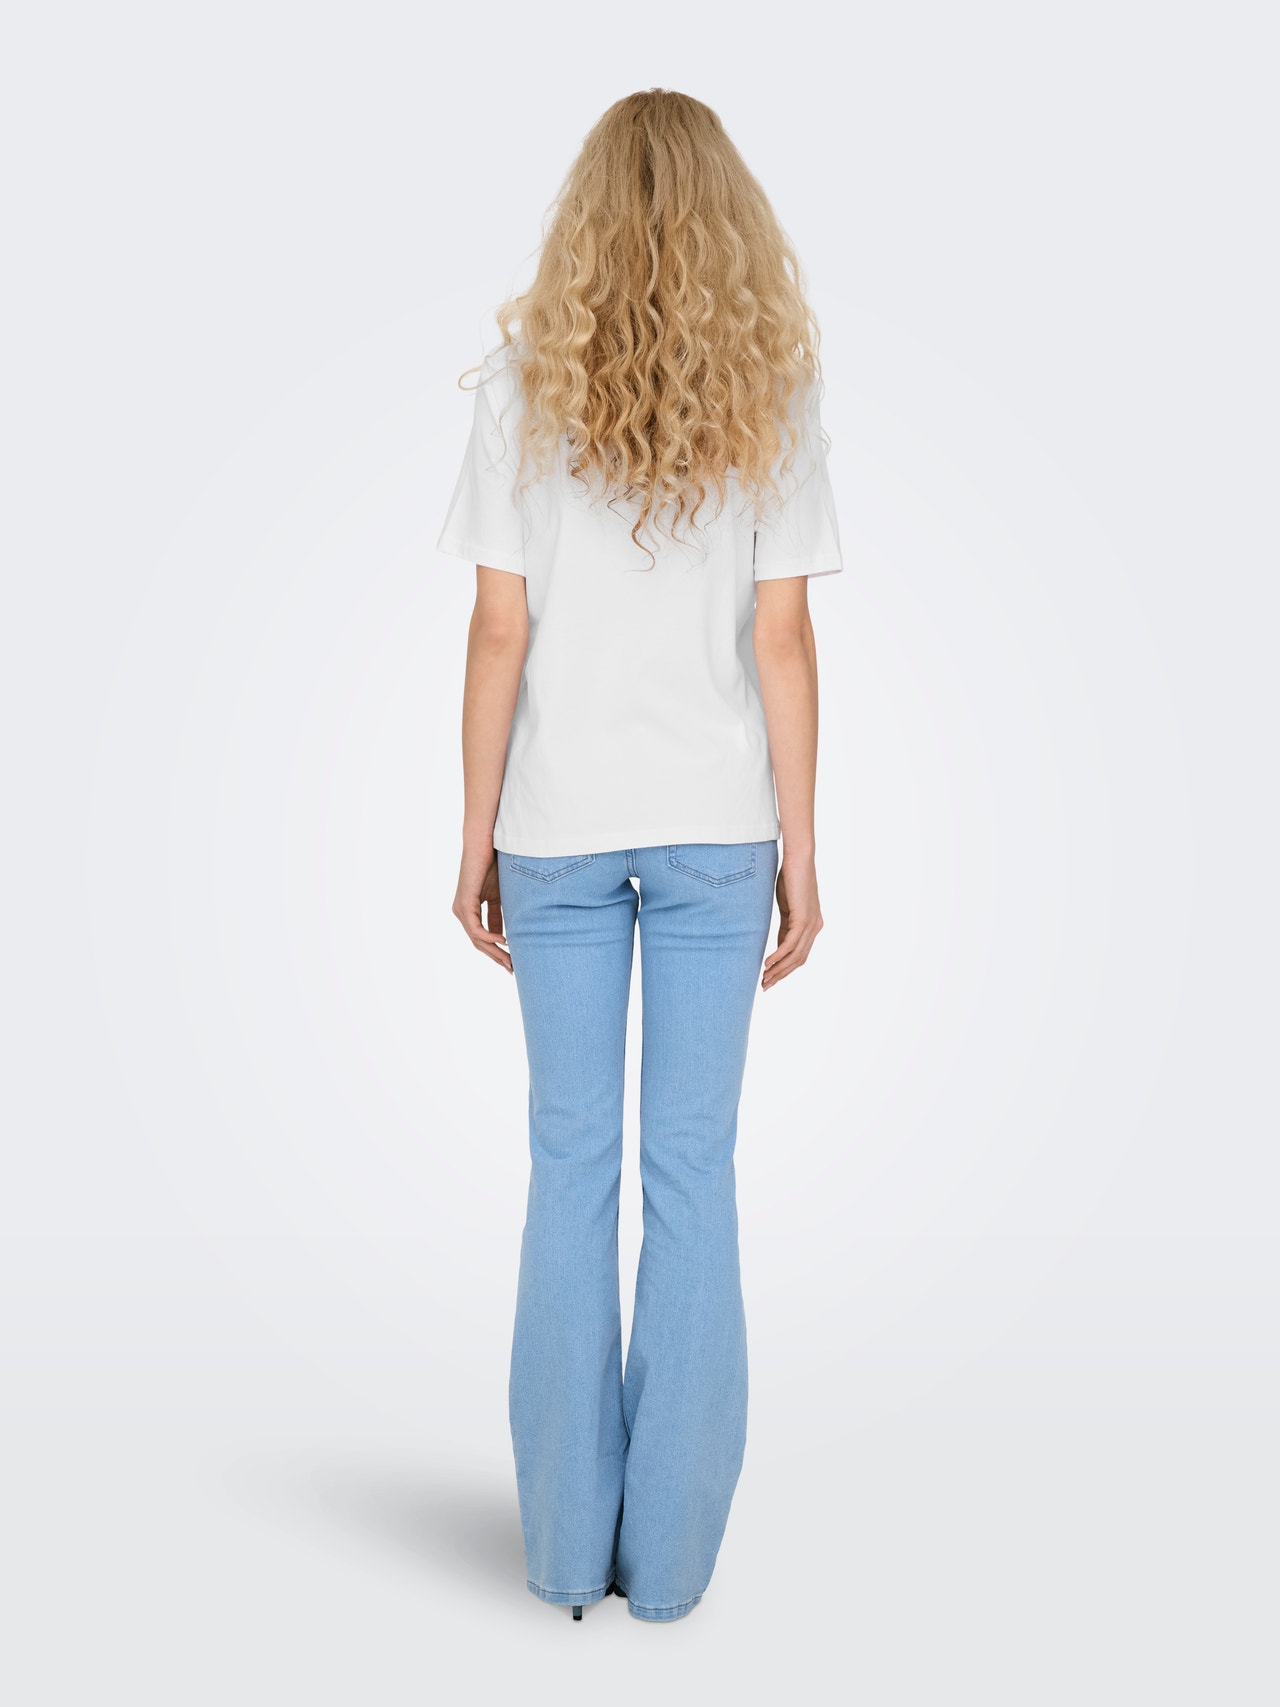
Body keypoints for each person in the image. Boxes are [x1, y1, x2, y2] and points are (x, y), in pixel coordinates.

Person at [435, 88, 843, 1624]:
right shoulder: (772, 384)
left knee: (570, 1170)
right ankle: (665, 1567)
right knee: (691, 1173)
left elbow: (499, 630)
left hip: (554, 830)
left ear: (585, 213)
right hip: (718, 833)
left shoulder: (521, 386)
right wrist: (805, 847)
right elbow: (782, 640)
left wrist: (473, 830)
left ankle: (561, 1557)